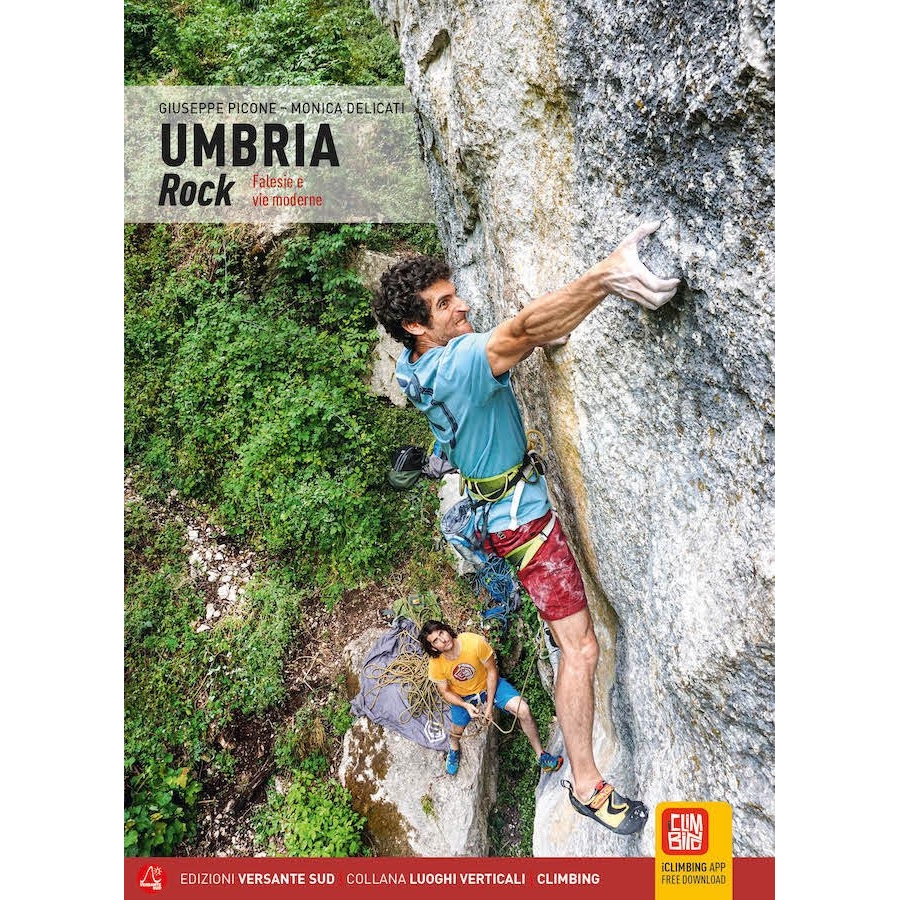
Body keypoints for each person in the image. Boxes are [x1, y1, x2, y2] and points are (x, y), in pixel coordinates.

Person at [373, 221, 679, 835]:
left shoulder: (413, 367)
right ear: (414, 325)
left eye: (454, 294)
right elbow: (522, 331)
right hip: (525, 522)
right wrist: (605, 276)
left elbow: (526, 338)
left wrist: (543, 329)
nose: (463, 305)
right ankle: (587, 785)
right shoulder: (458, 363)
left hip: (493, 514)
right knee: (580, 648)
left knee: (574, 645)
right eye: (444, 304)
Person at [418, 620, 563, 777]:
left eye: (441, 633)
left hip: (487, 685)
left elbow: (492, 671)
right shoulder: (436, 664)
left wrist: (489, 706)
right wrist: (465, 705)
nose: (443, 639)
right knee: (456, 730)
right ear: (433, 648)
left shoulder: (474, 642)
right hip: (463, 696)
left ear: (446, 630)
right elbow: (445, 692)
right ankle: (454, 747)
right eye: (436, 640)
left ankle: (541, 756)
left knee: (523, 710)